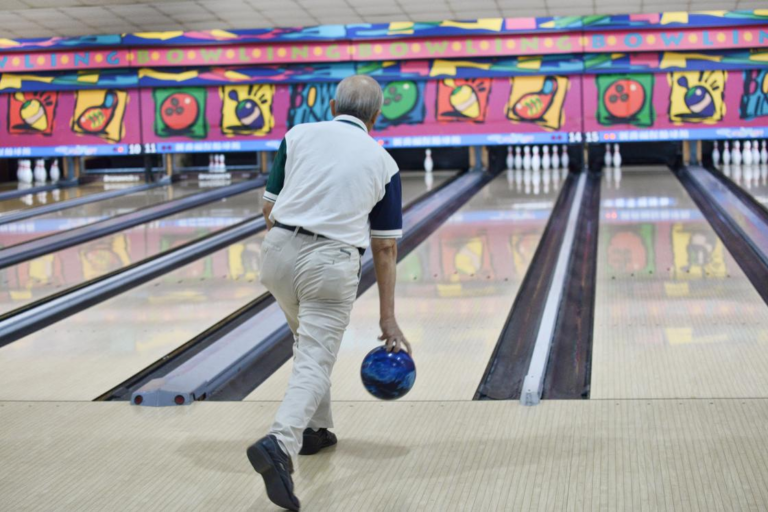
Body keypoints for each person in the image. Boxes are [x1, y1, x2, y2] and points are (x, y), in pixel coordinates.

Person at [246, 75, 412, 511]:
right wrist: (388, 317)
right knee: (317, 357)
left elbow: (268, 207)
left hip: (277, 252)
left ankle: (316, 431)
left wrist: (293, 242)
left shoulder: (297, 135)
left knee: (307, 345)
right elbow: (385, 245)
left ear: (333, 103)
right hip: (331, 261)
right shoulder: (384, 162)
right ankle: (280, 444)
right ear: (377, 117)